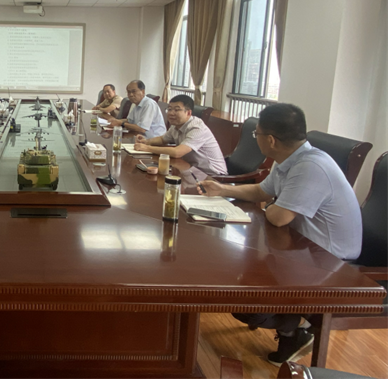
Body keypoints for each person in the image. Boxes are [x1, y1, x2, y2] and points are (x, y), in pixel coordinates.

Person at [197, 103, 362, 366]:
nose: (256, 138)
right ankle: (293, 328)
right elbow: (262, 192)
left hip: (330, 260)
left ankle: (295, 326)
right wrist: (222, 190)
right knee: (238, 278)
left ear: (271, 140)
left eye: (257, 134)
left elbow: (278, 217)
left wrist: (272, 205)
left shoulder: (311, 167)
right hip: (301, 246)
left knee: (245, 301)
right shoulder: (289, 159)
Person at [134, 94, 227, 175]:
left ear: (188, 113)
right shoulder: (176, 125)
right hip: (191, 170)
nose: (171, 113)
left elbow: (177, 152)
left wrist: (147, 148)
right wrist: (146, 141)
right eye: (169, 109)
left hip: (212, 175)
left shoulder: (197, 128)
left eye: (176, 110)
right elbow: (163, 139)